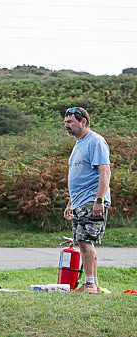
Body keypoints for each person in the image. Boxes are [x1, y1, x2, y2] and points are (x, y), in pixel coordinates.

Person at [62, 107, 111, 293]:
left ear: (83, 122)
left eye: (71, 122)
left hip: (92, 200)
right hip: (79, 201)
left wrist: (99, 200)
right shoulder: (78, 143)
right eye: (66, 122)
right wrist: (70, 202)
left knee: (86, 240)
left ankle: (91, 283)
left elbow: (104, 172)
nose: (67, 126)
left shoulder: (96, 142)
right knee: (81, 240)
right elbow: (77, 177)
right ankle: (91, 283)